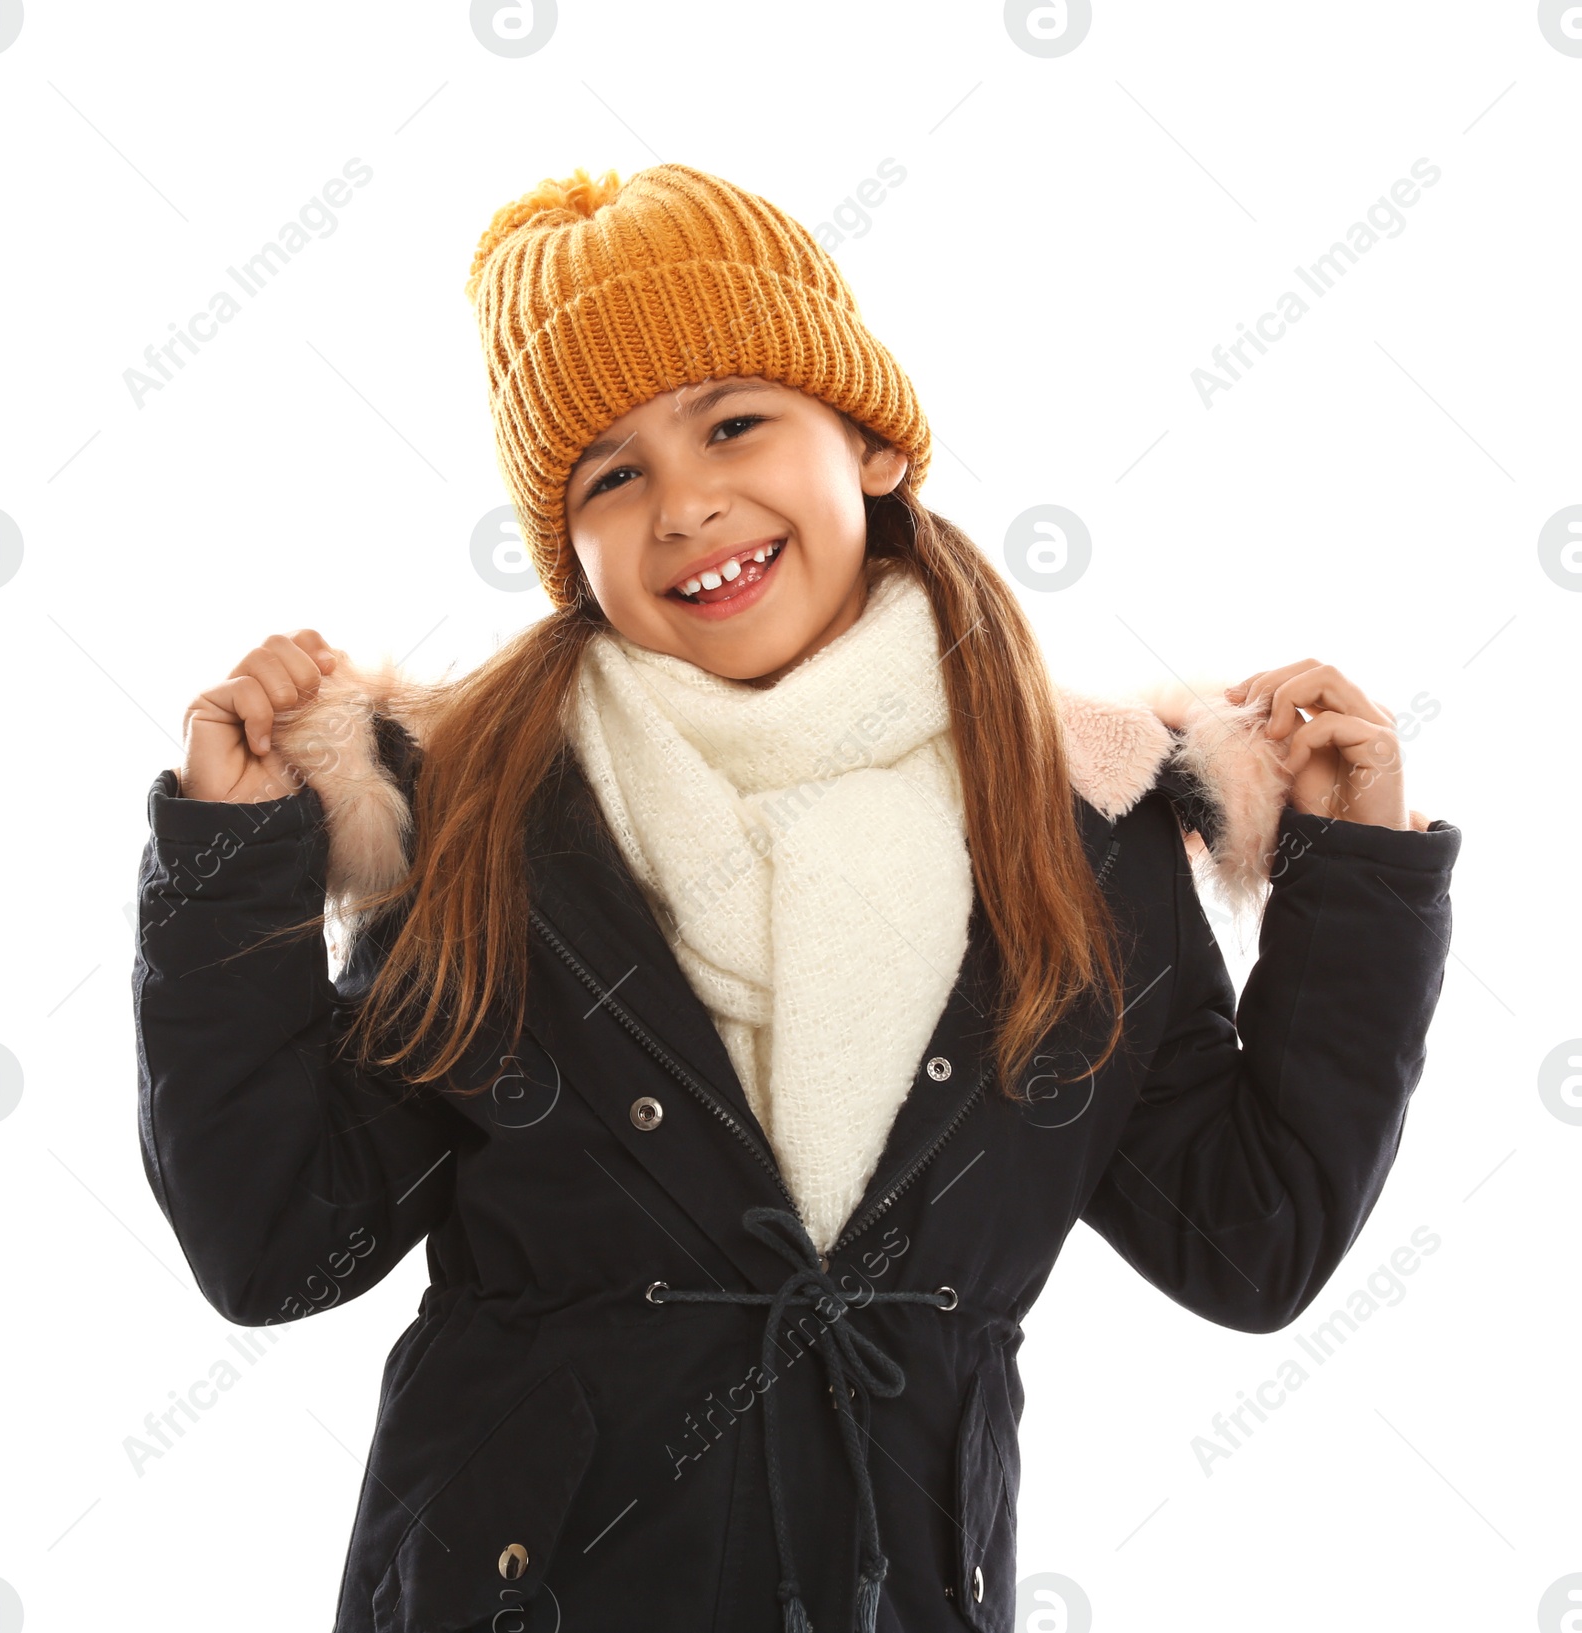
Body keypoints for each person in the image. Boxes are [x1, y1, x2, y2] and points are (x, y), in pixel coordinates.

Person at [131, 163, 1462, 1633]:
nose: (687, 503)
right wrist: (229, 861)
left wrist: (1359, 880)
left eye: (734, 421)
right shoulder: (485, 811)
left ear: (875, 446)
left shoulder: (1084, 818)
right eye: (609, 475)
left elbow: (1251, 1236)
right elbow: (274, 1243)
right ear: (568, 557)